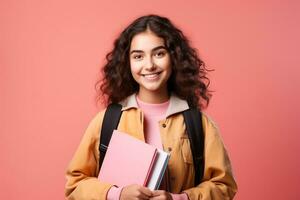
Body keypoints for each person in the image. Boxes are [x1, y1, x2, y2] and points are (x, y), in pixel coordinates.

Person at [65, 14, 237, 200]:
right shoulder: (106, 120)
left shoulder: (199, 124)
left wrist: (178, 199)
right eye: (138, 56)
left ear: (174, 57)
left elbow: (224, 186)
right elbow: (75, 186)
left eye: (159, 53)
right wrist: (117, 194)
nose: (149, 65)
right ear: (127, 63)